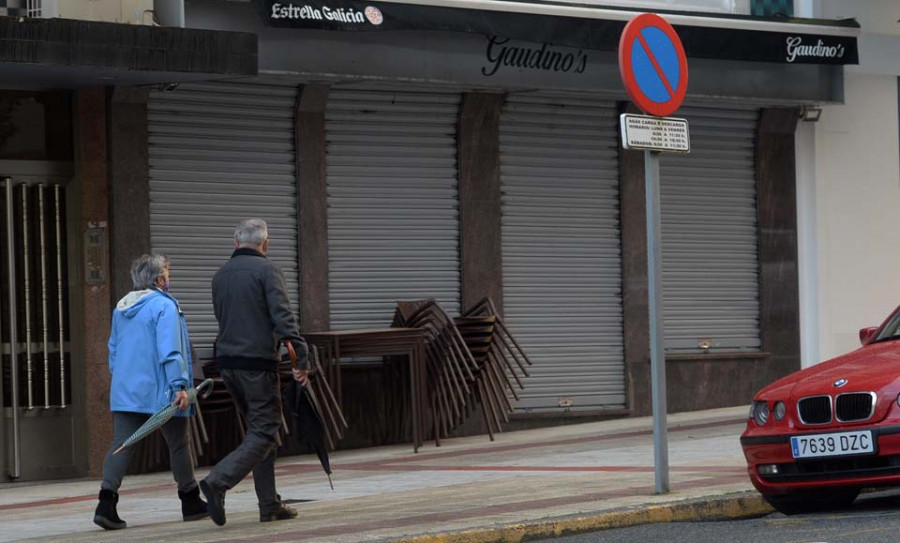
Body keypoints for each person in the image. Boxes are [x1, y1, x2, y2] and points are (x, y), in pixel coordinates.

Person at [200, 218, 310, 526]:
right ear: (266, 244)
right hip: (257, 365)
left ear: (235, 244)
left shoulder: (220, 276)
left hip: (228, 365)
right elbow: (284, 320)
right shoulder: (268, 271)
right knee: (264, 430)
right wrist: (302, 360)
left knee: (261, 432)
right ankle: (218, 481)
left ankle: (269, 504)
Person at [93, 254, 208, 530]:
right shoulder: (164, 306)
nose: (170, 277)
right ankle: (190, 500)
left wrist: (122, 380)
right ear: (159, 279)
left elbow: (114, 351)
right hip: (162, 392)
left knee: (121, 444)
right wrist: (179, 386)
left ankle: (105, 503)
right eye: (168, 272)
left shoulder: (121, 308)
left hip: (126, 390)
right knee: (179, 444)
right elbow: (170, 349)